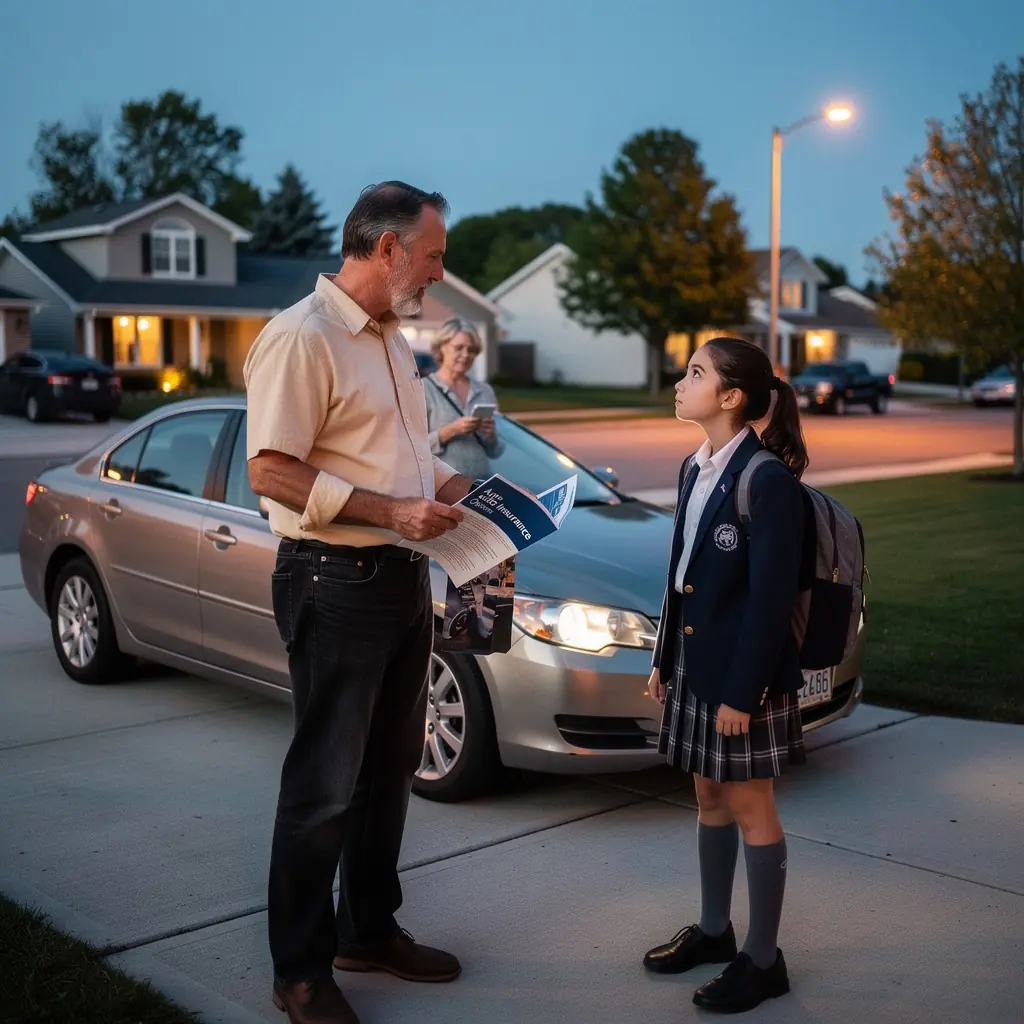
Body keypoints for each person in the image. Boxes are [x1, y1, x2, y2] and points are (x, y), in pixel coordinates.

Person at [244, 181, 476, 1024]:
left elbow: (412, 468)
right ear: (387, 249)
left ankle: (368, 930)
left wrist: (485, 499)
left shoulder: (393, 344)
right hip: (332, 582)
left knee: (389, 774)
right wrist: (389, 513)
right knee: (324, 787)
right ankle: (300, 973)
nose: (439, 273)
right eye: (433, 255)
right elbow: (269, 469)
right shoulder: (300, 338)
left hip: (403, 581)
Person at [642, 337, 809, 1015]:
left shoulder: (766, 481)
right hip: (695, 666)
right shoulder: (695, 466)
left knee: (750, 805)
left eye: (695, 374)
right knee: (708, 795)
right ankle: (715, 932)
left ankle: (764, 962)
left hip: (745, 681)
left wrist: (745, 693)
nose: (680, 383)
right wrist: (663, 658)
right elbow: (681, 577)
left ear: (732, 397)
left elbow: (771, 603)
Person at [422, 318, 503, 480]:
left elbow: (496, 451)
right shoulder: (423, 389)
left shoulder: (484, 390)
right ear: (442, 347)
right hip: (443, 488)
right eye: (459, 348)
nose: (466, 355)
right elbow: (411, 449)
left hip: (481, 483)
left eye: (471, 349)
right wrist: (450, 431)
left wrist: (491, 435)